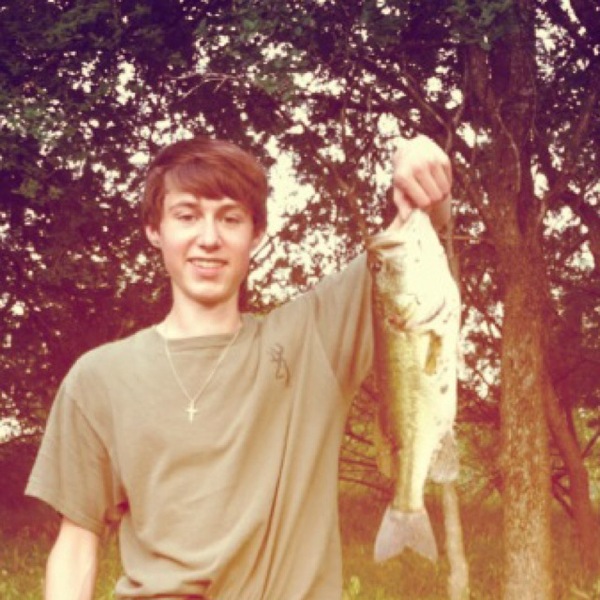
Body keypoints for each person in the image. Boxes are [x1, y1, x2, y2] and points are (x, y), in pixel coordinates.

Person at [26, 134, 452, 600]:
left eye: (230, 218)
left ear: (256, 234)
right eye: (187, 215)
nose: (209, 238)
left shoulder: (312, 340)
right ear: (155, 230)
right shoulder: (98, 379)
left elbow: (410, 254)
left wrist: (418, 161)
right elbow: (76, 543)